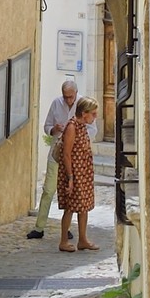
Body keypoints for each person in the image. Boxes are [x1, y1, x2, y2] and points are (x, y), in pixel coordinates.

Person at [26, 77, 78, 239]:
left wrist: (74, 136)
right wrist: (54, 129)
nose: (68, 99)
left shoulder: (82, 104)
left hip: (74, 155)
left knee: (69, 192)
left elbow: (92, 129)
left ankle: (66, 228)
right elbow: (47, 127)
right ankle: (39, 227)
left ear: (76, 93)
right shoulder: (56, 103)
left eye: (70, 96)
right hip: (56, 154)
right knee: (48, 190)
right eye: (65, 96)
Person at [56, 95, 98, 253]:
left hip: (83, 172)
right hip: (73, 172)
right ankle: (63, 241)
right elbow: (66, 154)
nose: (95, 117)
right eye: (93, 114)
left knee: (84, 206)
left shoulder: (82, 126)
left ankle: (83, 239)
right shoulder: (72, 127)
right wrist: (70, 178)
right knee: (70, 206)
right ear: (84, 112)